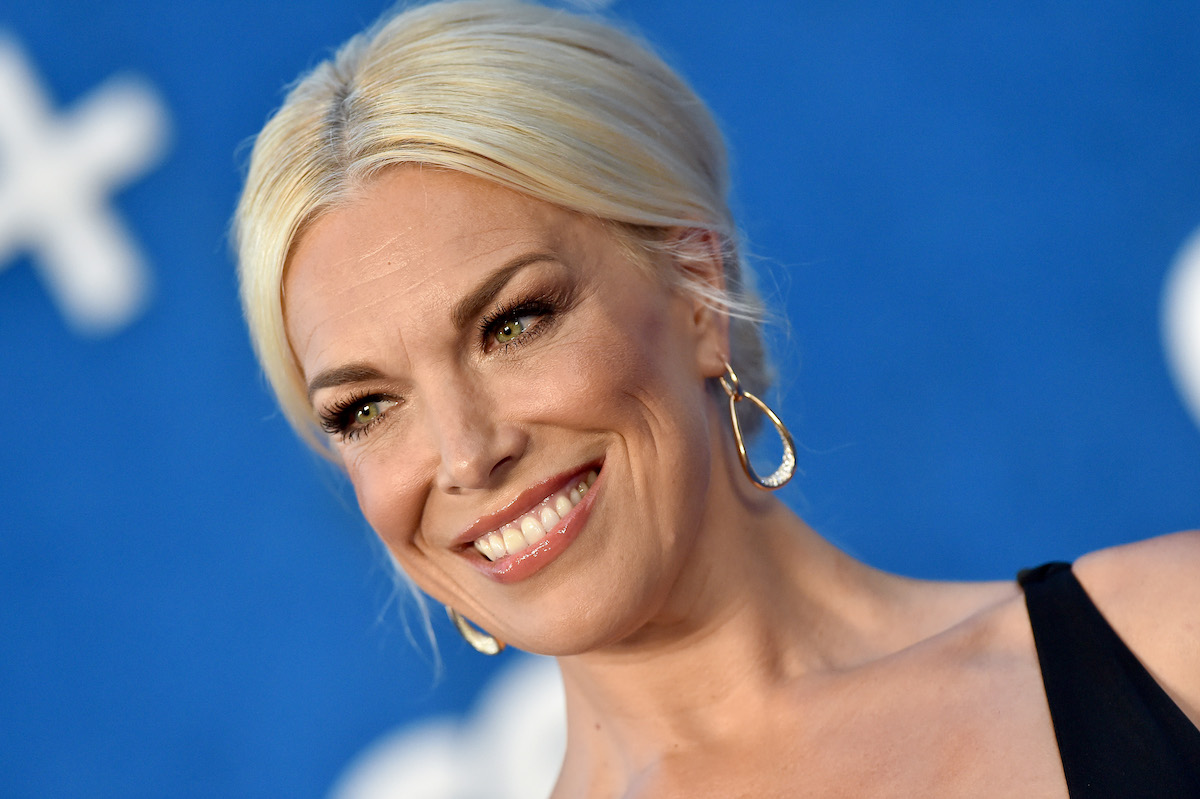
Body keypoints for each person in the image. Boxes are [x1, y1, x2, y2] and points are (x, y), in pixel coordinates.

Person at [235, 1, 1200, 795]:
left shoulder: (1166, 643)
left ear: (697, 290)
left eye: (513, 323)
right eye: (366, 409)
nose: (464, 452)